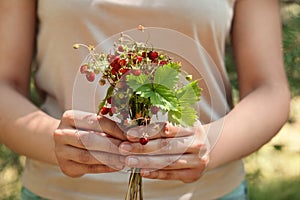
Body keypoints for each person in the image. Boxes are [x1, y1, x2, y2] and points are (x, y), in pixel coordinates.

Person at [0, 0, 290, 199]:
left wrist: (208, 145)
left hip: (209, 193)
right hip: (59, 192)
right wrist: (56, 140)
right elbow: (5, 84)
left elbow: (269, 90)